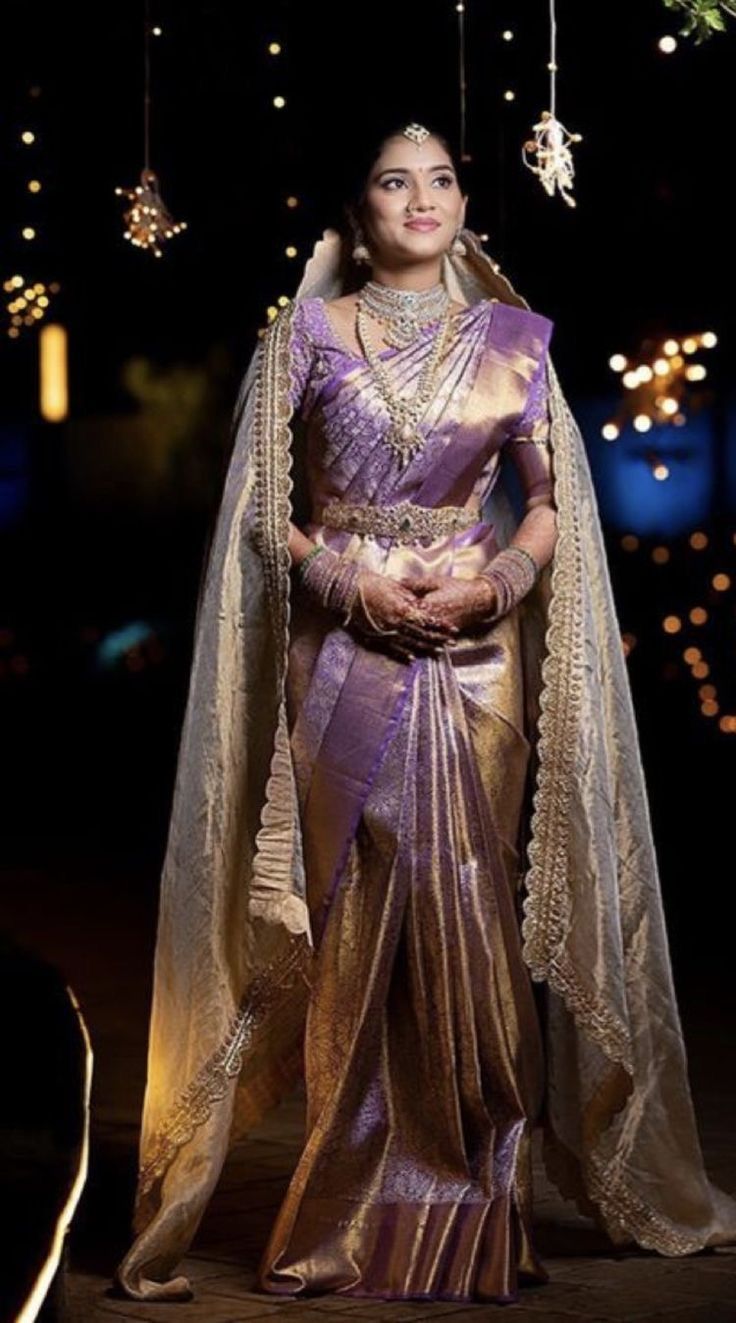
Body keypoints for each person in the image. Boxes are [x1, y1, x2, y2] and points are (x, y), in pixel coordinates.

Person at [115, 120, 736, 1305]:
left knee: (473, 905)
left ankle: (482, 1198)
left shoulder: (517, 343)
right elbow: (265, 506)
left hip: (477, 655)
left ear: (462, 205)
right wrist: (344, 580)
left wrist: (496, 581)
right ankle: (351, 1206)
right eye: (395, 182)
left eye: (442, 180)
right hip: (341, 652)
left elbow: (549, 501)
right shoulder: (304, 335)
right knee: (359, 912)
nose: (423, 198)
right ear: (357, 215)